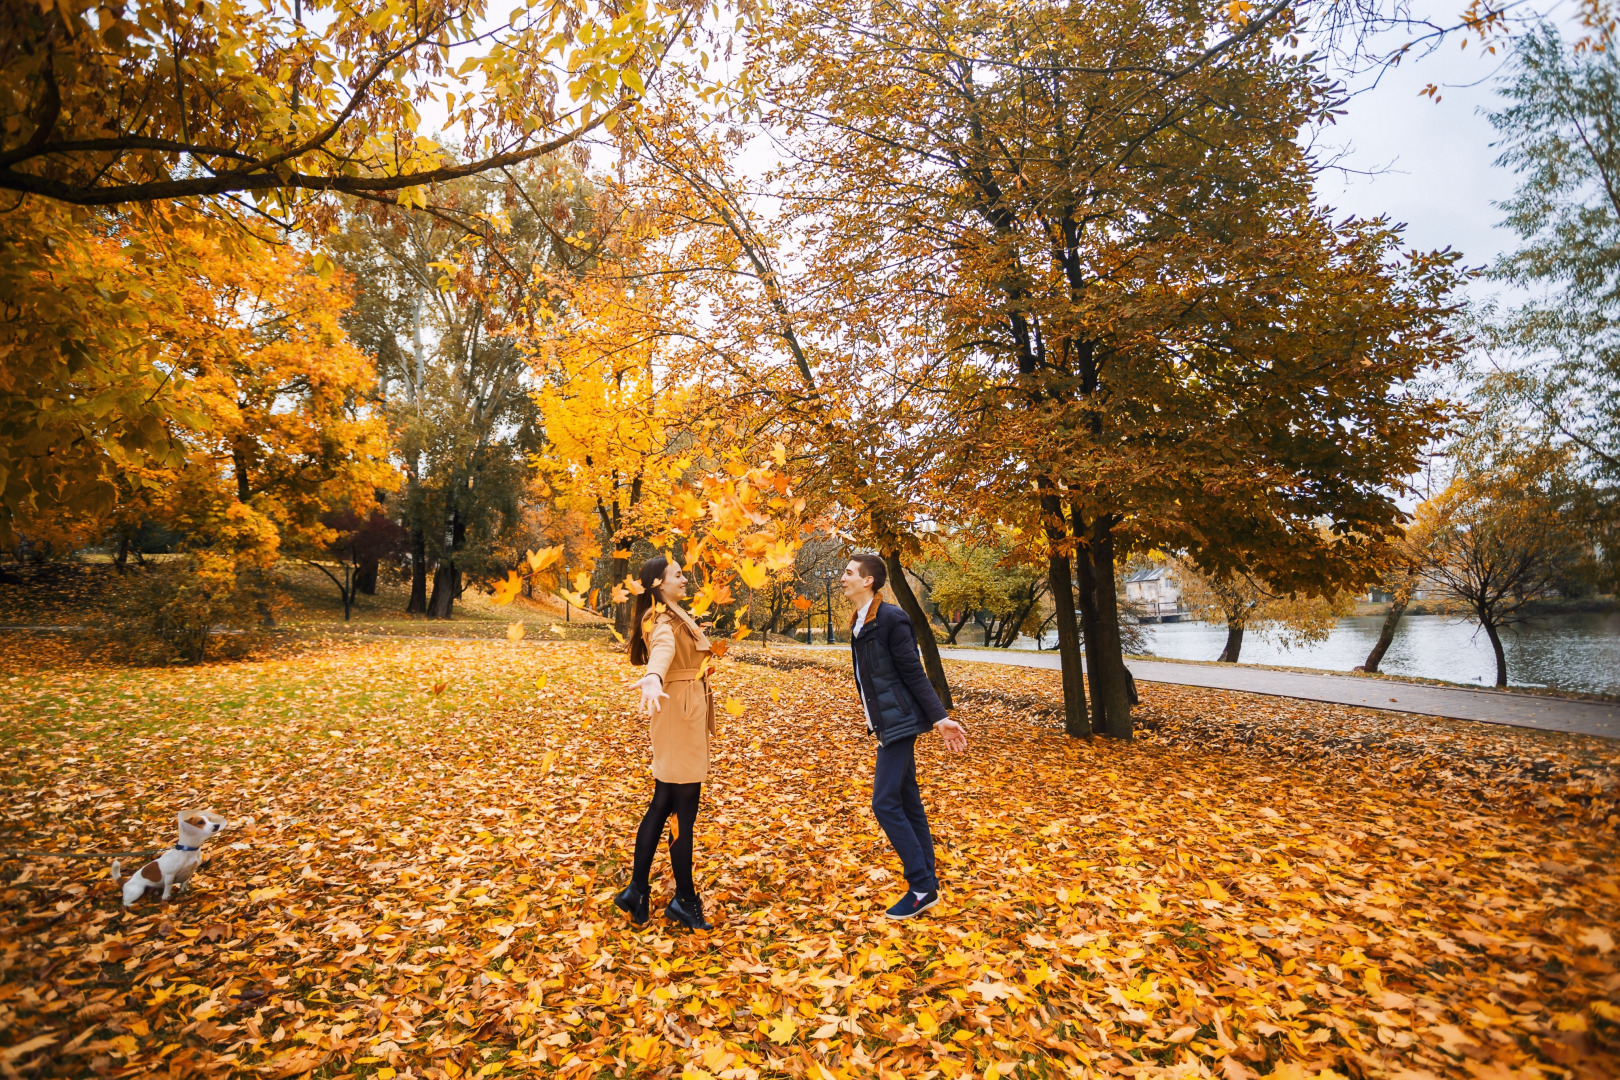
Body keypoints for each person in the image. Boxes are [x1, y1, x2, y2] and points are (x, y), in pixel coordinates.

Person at [840, 553, 968, 919]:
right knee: (907, 799)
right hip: (886, 721)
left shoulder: (892, 619)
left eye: (849, 573)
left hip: (900, 721)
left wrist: (940, 718)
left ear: (868, 581)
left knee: (884, 802)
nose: (843, 578)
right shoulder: (862, 620)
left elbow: (914, 672)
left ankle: (921, 886)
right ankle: (928, 882)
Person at [620, 556, 715, 930]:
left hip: (682, 713)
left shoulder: (674, 614)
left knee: (664, 803)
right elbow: (661, 649)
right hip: (678, 715)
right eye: (678, 575)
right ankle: (684, 899)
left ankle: (637, 892)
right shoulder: (660, 620)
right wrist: (653, 676)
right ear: (659, 583)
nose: (685, 579)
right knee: (682, 811)